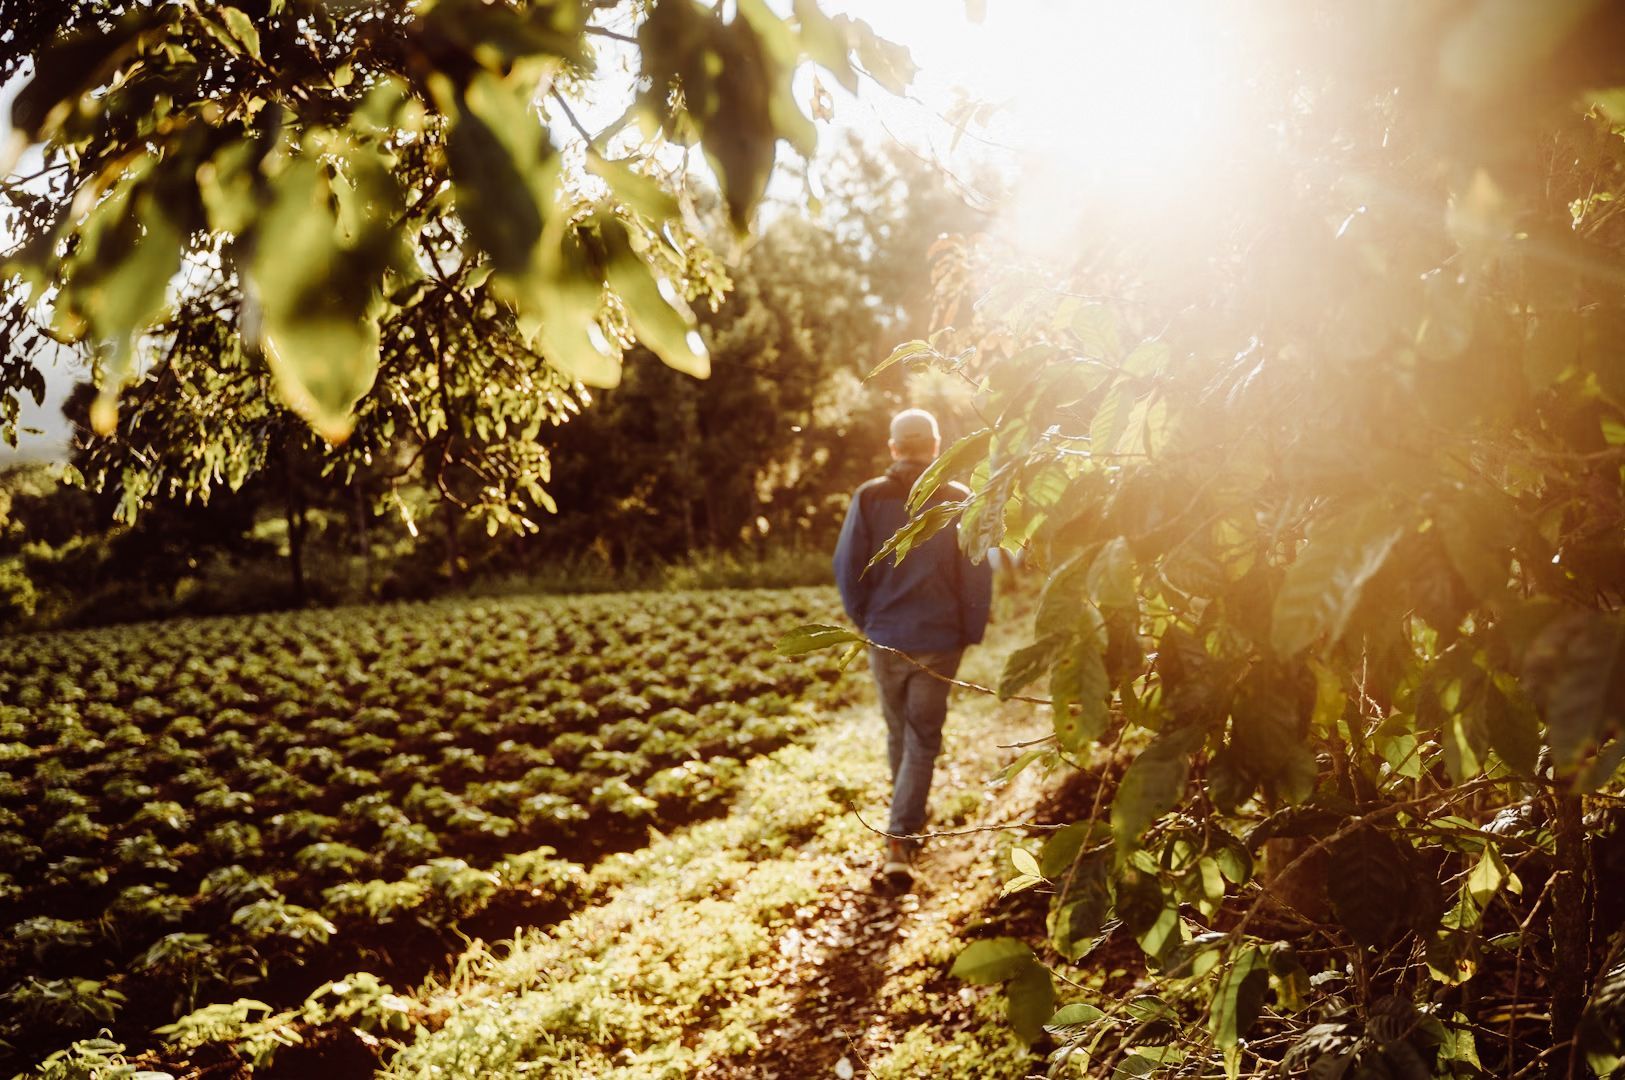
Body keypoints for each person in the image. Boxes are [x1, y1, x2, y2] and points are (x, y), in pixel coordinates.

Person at [833, 408, 992, 890]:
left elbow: (847, 568)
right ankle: (901, 838)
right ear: (937, 447)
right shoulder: (958, 499)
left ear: (894, 447)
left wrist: (868, 621)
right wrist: (969, 630)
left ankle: (907, 817)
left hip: (886, 637)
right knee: (921, 739)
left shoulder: (868, 497)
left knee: (900, 733)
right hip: (939, 639)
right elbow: (977, 573)